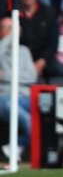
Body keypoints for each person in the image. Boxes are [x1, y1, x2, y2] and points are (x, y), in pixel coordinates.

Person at [0, 16, 37, 160]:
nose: (12, 32)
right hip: (4, 97)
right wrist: (8, 39)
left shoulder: (24, 51)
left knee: (47, 108)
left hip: (24, 96)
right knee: (30, 121)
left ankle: (16, 145)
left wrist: (5, 75)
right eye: (8, 28)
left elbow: (32, 76)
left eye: (14, 28)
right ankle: (18, 146)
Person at [18, 0, 63, 82]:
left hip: (43, 59)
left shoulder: (49, 13)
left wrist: (41, 62)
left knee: (59, 70)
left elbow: (53, 43)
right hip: (19, 60)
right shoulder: (13, 15)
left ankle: (49, 92)